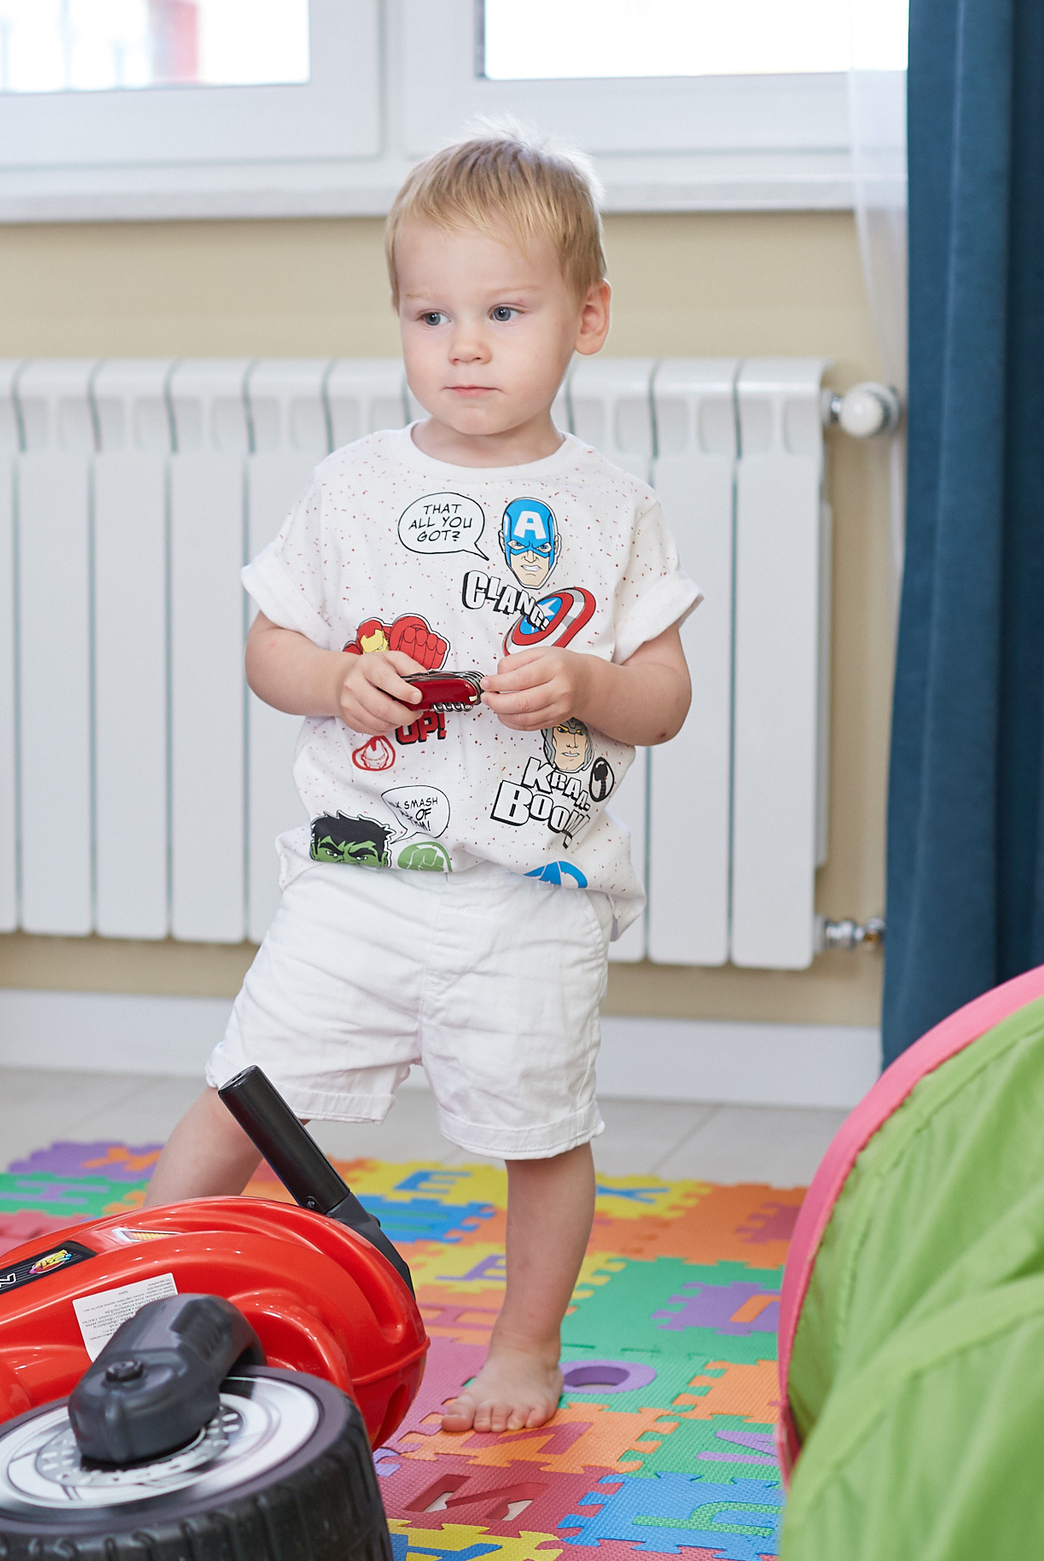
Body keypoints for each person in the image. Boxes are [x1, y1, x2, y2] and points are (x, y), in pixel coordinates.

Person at [143, 129, 701, 1433]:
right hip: (356, 882)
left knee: (542, 1130)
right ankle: (135, 1295)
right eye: (430, 315)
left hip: (531, 900)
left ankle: (523, 1346)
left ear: (587, 318)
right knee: (242, 1095)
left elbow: (663, 699)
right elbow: (266, 647)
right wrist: (335, 676)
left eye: (503, 314)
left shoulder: (615, 508)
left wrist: (586, 685)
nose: (464, 347)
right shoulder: (353, 487)